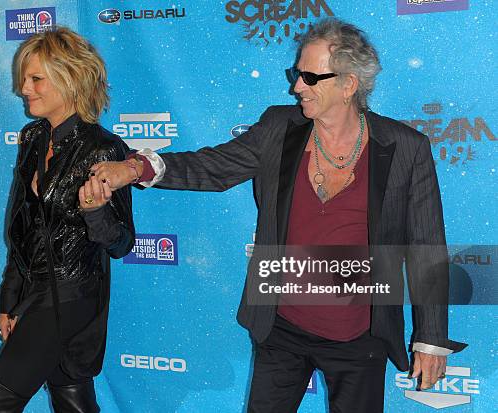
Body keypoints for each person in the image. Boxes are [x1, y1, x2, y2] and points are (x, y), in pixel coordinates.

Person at [91, 18, 466, 412]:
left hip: (362, 336)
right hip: (281, 328)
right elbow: (213, 167)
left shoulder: (405, 148)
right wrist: (135, 168)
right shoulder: (278, 128)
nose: (297, 86)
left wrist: (432, 339)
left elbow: (426, 247)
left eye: (309, 76)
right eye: (296, 74)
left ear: (348, 84)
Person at [0, 27, 134, 413]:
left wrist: (95, 213)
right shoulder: (32, 138)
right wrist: (10, 299)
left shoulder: (104, 148)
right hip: (35, 294)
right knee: (71, 396)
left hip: (73, 295)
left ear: (70, 79)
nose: (24, 88)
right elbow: (23, 229)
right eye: (24, 78)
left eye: (36, 78)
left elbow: (122, 242)